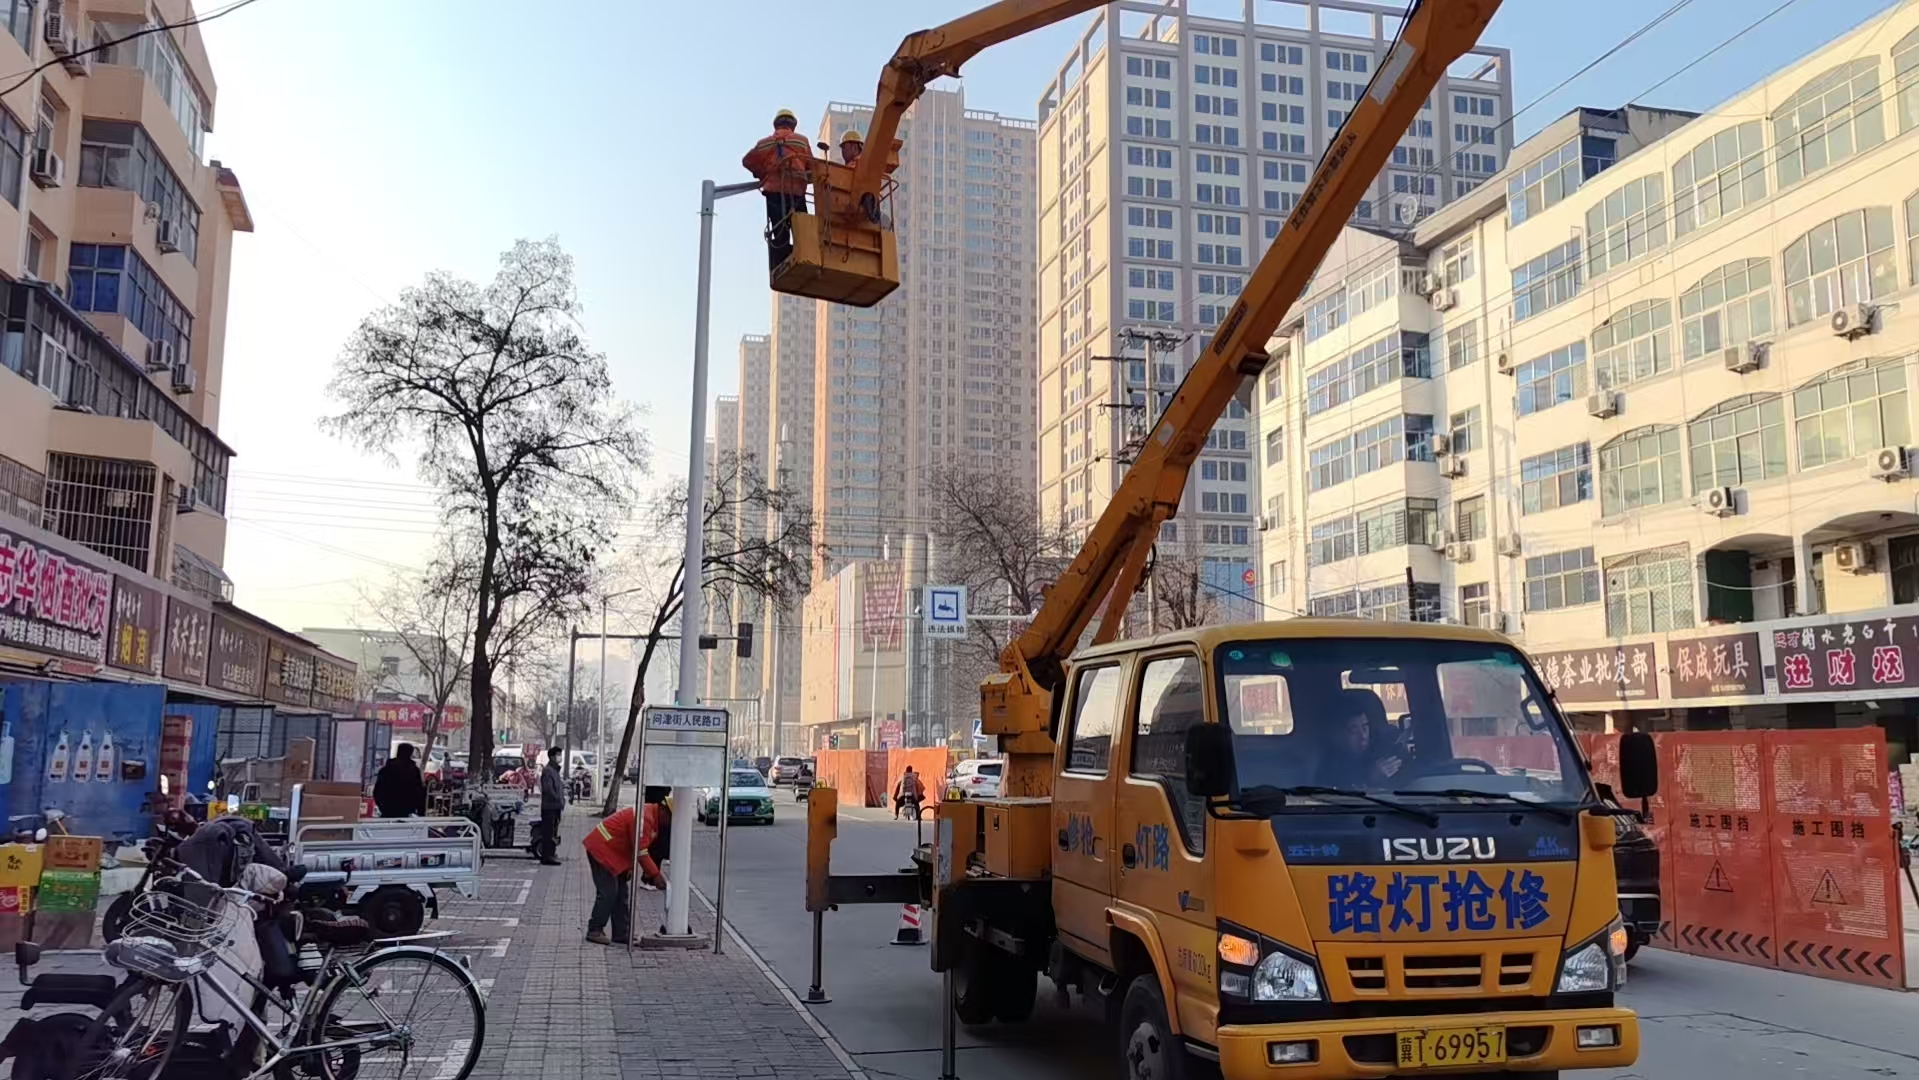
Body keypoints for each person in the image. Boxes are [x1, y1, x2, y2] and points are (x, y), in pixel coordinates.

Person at [581, 798, 671, 945]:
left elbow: (631, 845)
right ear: (663, 810)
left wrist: (628, 868)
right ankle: (595, 930)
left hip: (612, 852)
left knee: (622, 893)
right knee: (609, 892)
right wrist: (655, 875)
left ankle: (621, 933)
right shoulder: (645, 819)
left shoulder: (650, 817)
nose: (670, 822)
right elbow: (641, 851)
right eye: (670, 818)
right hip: (602, 850)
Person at [742, 108, 814, 270]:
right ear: (793, 125)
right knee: (802, 229)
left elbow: (747, 161)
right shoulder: (801, 141)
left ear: (776, 125)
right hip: (797, 193)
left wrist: (761, 173)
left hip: (774, 193)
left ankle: (783, 259)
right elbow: (812, 167)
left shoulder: (765, 144)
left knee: (779, 230)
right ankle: (805, 255)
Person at [1317, 694, 1403, 789]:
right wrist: (1370, 778)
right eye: (1354, 731)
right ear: (1338, 734)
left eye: (1365, 728)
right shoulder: (1328, 764)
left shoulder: (1380, 749)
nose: (1363, 736)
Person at [373, 743, 427, 818]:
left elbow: (378, 790)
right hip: (406, 811)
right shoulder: (414, 771)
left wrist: (381, 805)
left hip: (387, 809)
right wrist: (421, 811)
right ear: (410, 753)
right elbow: (419, 792)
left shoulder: (386, 769)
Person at [536, 747, 566, 865]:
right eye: (558, 755)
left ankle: (551, 853)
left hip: (555, 806)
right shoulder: (548, 771)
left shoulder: (555, 771)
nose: (560, 757)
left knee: (553, 832)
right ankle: (547, 856)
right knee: (548, 832)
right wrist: (558, 799)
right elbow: (549, 789)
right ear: (552, 756)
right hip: (550, 807)